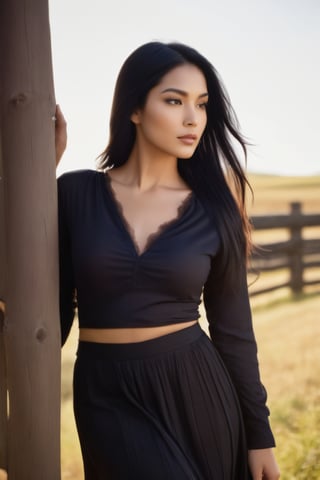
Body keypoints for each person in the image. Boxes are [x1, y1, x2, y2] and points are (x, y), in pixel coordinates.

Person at [55, 42, 280, 480]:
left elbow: (234, 333)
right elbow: (51, 314)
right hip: (105, 394)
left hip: (195, 387)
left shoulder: (215, 211)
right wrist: (33, 171)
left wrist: (260, 435)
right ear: (134, 109)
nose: (192, 118)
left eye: (201, 105)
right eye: (174, 101)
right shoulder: (73, 194)